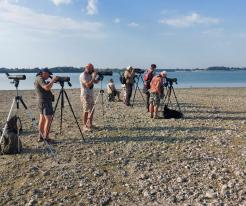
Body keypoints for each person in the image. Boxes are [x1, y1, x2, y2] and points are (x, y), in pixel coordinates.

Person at [34, 68, 58, 143]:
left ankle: (41, 136)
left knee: (43, 118)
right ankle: (46, 137)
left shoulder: (39, 78)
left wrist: (50, 81)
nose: (49, 76)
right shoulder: (40, 78)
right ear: (44, 73)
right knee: (48, 118)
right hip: (44, 101)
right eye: (48, 75)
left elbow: (45, 87)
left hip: (43, 101)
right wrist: (53, 80)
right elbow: (47, 88)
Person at [80, 63, 99, 131]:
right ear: (87, 68)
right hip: (85, 95)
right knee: (86, 110)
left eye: (93, 69)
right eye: (92, 69)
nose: (92, 70)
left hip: (90, 94)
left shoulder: (90, 74)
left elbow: (95, 82)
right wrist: (93, 77)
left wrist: (98, 77)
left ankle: (90, 124)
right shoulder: (83, 75)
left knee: (92, 110)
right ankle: (84, 125)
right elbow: (87, 85)